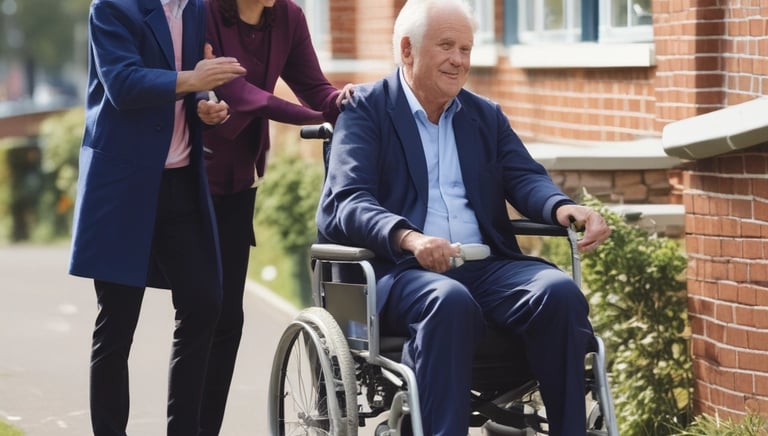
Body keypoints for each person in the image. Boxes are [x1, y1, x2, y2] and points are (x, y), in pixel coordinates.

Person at [315, 0, 612, 435]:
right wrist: (410, 238)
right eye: (447, 46)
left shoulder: (484, 115)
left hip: (486, 267)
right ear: (407, 50)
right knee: (448, 300)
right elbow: (347, 201)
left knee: (558, 293)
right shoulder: (366, 109)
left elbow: (524, 176)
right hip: (400, 271)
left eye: (466, 49)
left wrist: (560, 207)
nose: (459, 60)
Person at [68, 0, 246, 434]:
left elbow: (189, 82)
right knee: (117, 323)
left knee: (204, 304)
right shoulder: (112, 7)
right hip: (123, 186)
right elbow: (122, 83)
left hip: (180, 181)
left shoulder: (195, 9)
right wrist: (194, 81)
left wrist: (205, 103)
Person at [196, 1, 352, 433]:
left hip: (238, 178)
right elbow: (237, 92)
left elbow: (316, 89)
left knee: (228, 317)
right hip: (190, 176)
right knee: (199, 313)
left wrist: (346, 101)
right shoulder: (203, 12)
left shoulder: (288, 17)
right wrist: (312, 116)